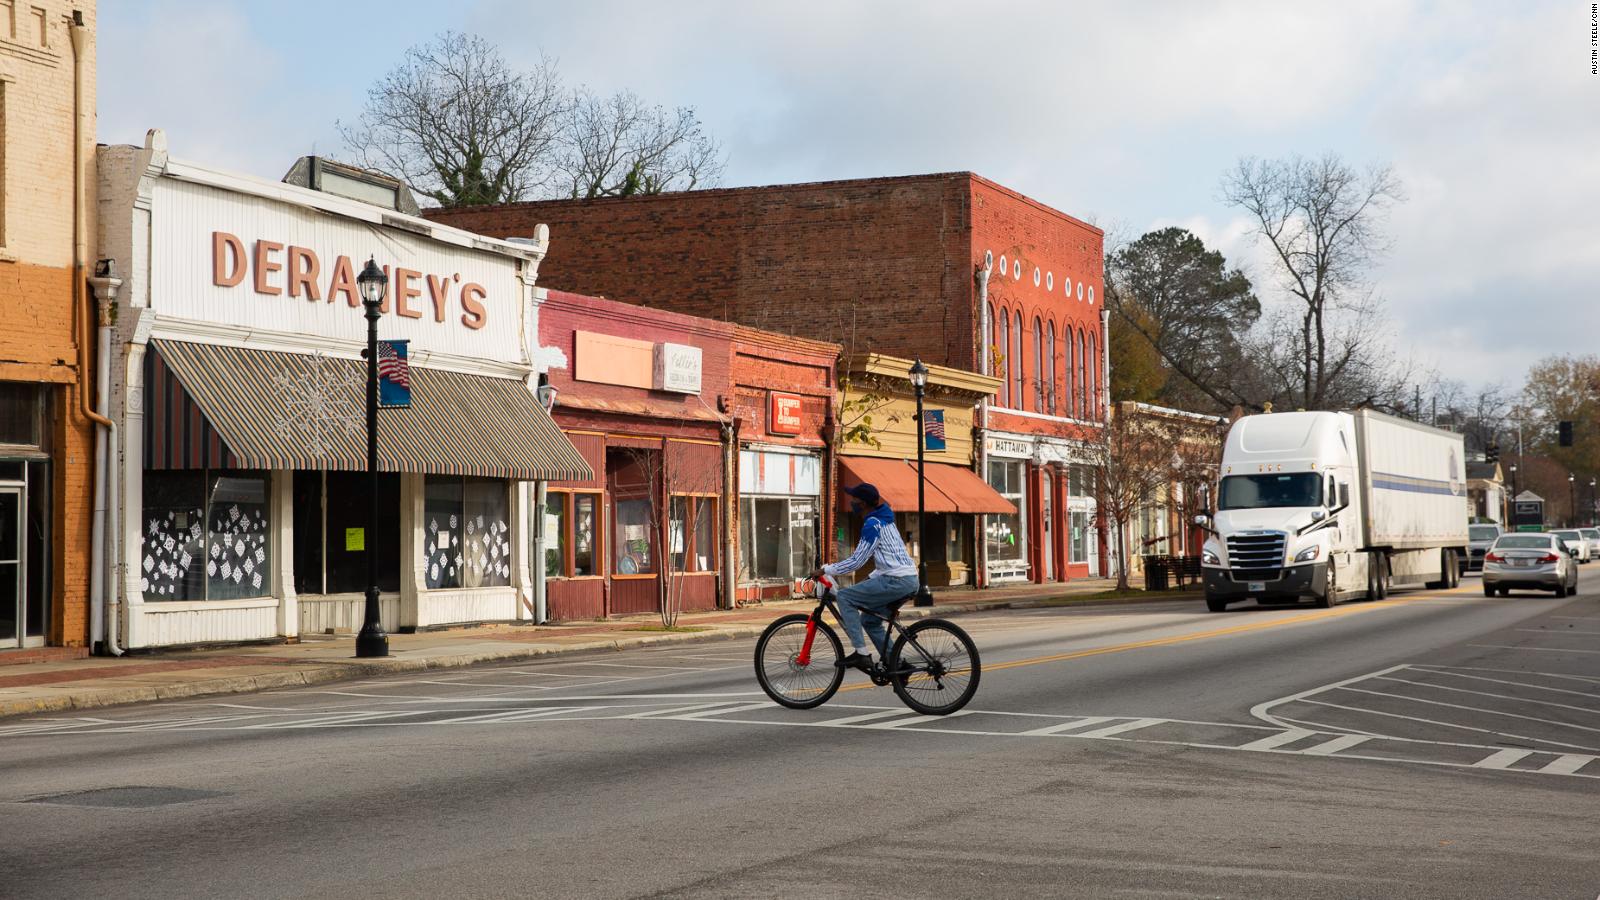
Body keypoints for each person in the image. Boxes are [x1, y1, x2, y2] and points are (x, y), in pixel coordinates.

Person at [812, 482, 919, 671]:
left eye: (854, 498)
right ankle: (898, 665)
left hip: (896, 581)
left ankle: (861, 654)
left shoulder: (872, 524)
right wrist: (867, 581)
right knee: (869, 621)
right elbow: (888, 562)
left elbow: (856, 562)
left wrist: (825, 570)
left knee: (845, 597)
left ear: (862, 503)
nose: (851, 501)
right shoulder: (886, 521)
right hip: (908, 579)